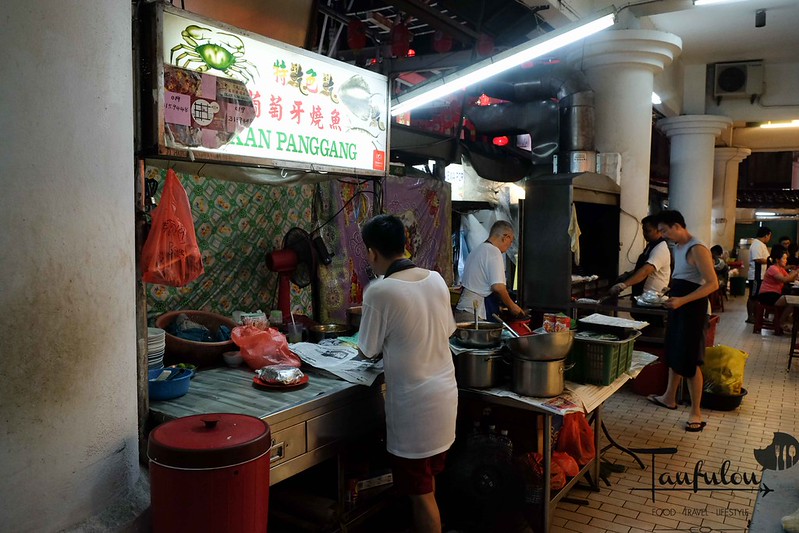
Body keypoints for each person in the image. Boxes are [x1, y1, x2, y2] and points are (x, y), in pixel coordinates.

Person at [357, 214, 457, 533]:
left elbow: (367, 350)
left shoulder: (380, 291)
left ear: (372, 252)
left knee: (420, 494)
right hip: (444, 399)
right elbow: (447, 330)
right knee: (426, 483)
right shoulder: (436, 280)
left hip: (414, 409)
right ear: (405, 243)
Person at [647, 210, 718, 432]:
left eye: (664, 230)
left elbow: (712, 284)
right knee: (674, 352)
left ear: (677, 226)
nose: (663, 235)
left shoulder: (697, 248)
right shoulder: (677, 247)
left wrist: (682, 300)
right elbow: (684, 276)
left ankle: (696, 412)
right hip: (679, 306)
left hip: (694, 310)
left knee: (690, 360)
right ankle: (669, 397)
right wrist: (670, 291)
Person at [455, 220, 524, 321]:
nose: (510, 245)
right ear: (505, 237)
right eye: (511, 240)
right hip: (473, 312)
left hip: (463, 309)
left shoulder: (477, 250)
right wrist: (512, 306)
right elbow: (498, 287)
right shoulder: (493, 251)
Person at [609, 215, 671, 299]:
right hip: (642, 296)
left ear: (658, 231)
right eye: (643, 230)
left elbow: (645, 271)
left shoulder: (660, 249)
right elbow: (642, 267)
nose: (644, 234)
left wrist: (623, 285)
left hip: (652, 299)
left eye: (648, 231)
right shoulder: (651, 246)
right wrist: (628, 274)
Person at [756, 244, 799, 333]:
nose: (786, 260)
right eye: (784, 258)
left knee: (792, 301)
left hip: (775, 294)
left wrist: (795, 273)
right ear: (777, 260)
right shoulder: (773, 268)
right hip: (767, 295)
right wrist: (796, 272)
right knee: (791, 301)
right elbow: (784, 279)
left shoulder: (781, 269)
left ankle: (780, 321)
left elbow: (790, 278)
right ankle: (781, 322)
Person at [747, 227, 772, 323]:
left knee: (758, 297)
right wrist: (770, 261)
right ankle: (750, 317)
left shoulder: (761, 244)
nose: (769, 238)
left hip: (761, 275)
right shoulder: (756, 244)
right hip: (756, 276)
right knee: (753, 297)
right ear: (766, 235)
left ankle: (757, 316)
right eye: (769, 236)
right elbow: (757, 259)